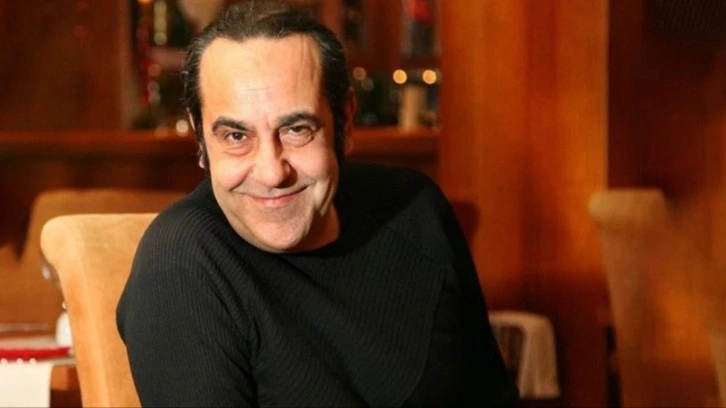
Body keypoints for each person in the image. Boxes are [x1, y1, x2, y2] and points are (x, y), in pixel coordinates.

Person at [117, 1, 519, 406]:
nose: (271, 173)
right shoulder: (184, 262)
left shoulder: (415, 207)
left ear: (345, 121)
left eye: (296, 129)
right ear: (201, 142)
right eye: (236, 137)